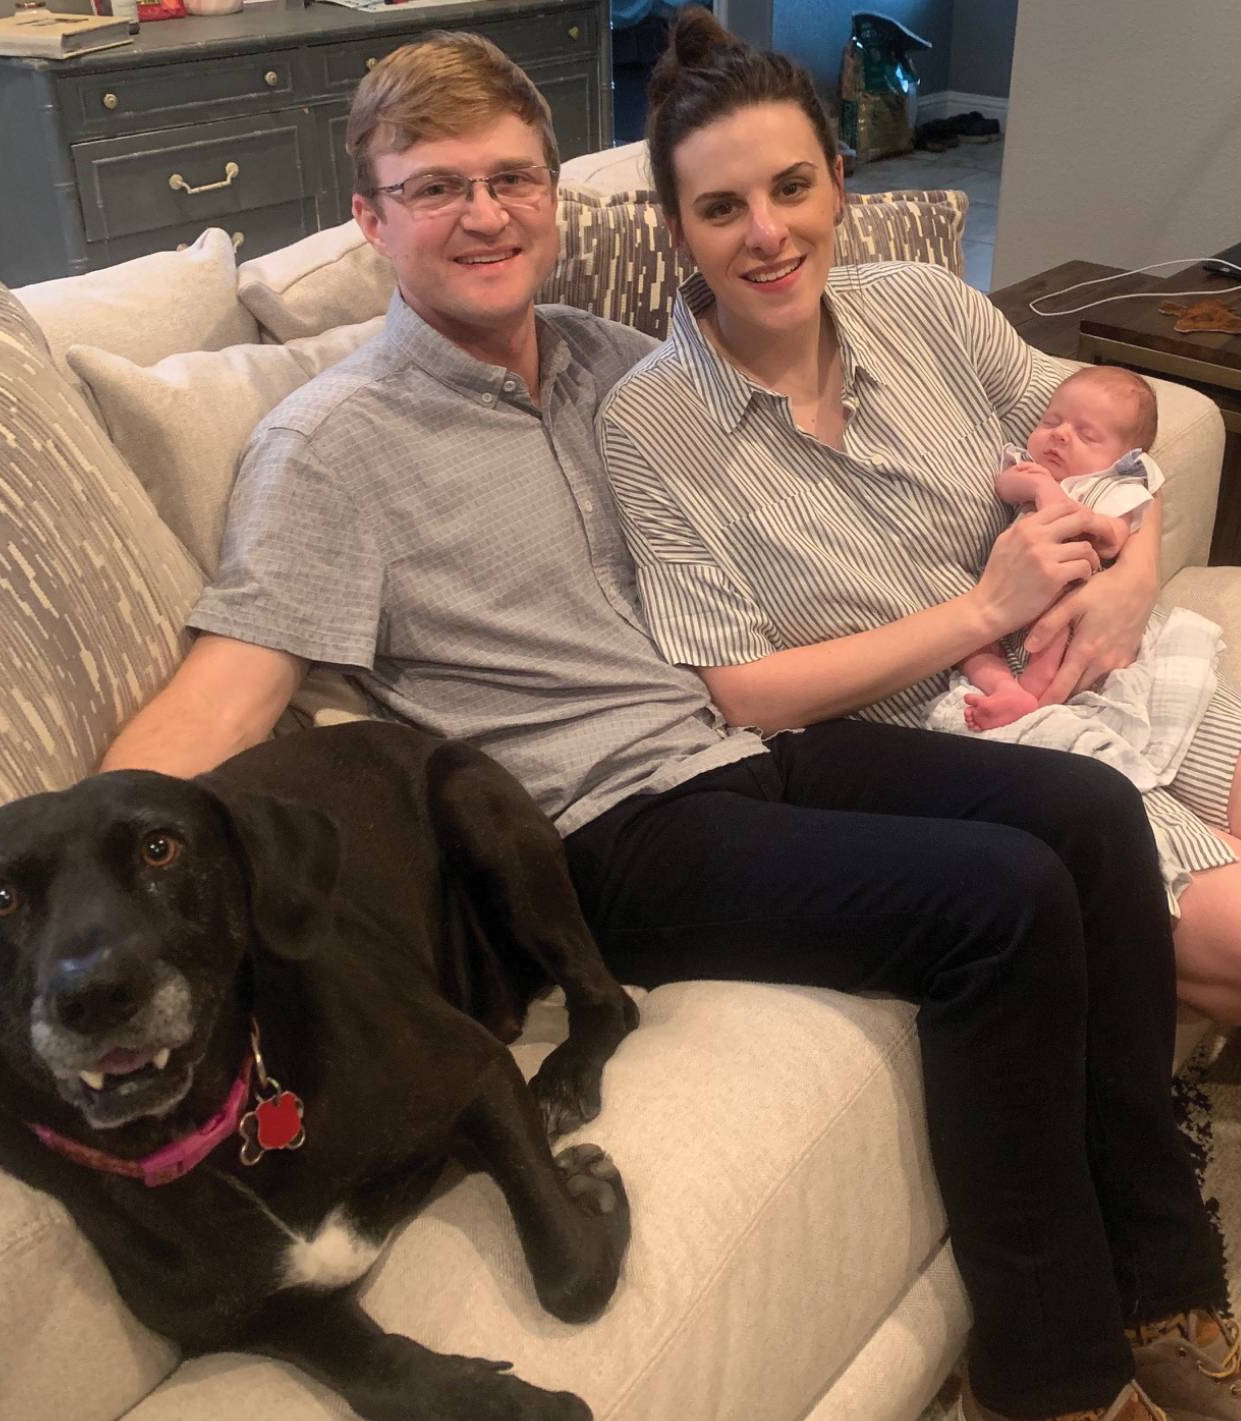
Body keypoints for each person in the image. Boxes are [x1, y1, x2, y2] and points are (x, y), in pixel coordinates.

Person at [101, 24, 1236, 1421]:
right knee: (996, 901)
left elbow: (827, 389)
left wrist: (1114, 546)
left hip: (743, 757)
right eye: (437, 186)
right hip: (598, 829)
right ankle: (1049, 1378)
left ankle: (1163, 1268)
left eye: (513, 177)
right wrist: (62, 889)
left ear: (554, 200)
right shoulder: (330, 447)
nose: (486, 213)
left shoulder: (601, 363)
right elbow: (230, 687)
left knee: (1083, 813)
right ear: (369, 215)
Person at [597, 10, 1241, 1027]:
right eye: (721, 208)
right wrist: (986, 610)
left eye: (792, 187)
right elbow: (745, 693)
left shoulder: (923, 304)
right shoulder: (648, 422)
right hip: (974, 753)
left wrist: (1128, 574)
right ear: (676, 231)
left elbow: (1114, 438)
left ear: (840, 182)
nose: (767, 233)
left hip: (1115, 665)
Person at [960, 365, 1164, 731]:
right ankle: (1005, 689)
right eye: (1051, 421)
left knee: (1058, 631)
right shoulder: (1028, 467)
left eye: (1086, 435)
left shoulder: (1109, 488)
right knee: (970, 647)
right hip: (1002, 592)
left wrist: (1083, 518)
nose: (1061, 435)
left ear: (1120, 459)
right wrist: (1040, 487)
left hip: (1066, 595)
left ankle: (1033, 697)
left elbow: (1116, 535)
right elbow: (1004, 486)